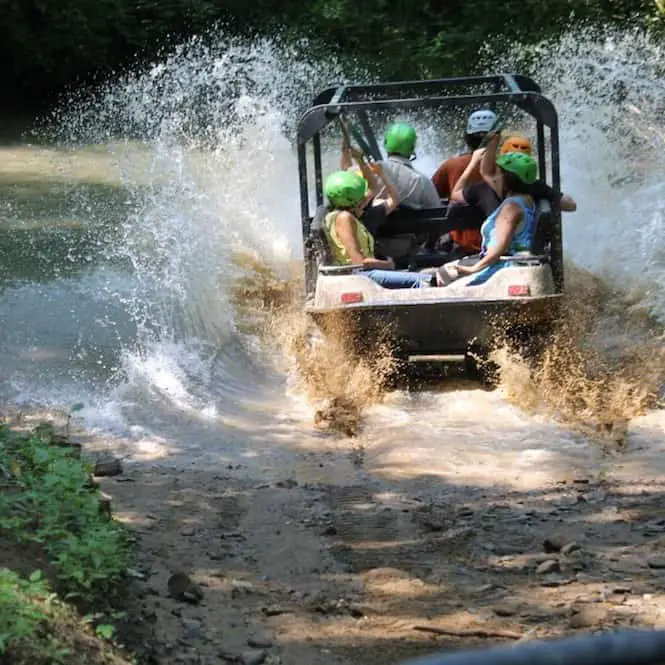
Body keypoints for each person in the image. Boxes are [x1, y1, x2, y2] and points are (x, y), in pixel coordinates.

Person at [437, 152, 540, 287]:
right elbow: (485, 172)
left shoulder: (511, 208)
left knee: (443, 280)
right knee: (444, 271)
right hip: (509, 263)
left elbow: (499, 248)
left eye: (500, 173)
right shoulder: (527, 200)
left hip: (502, 268)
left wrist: (474, 268)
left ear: (509, 178)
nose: (497, 176)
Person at [323, 170, 433, 289]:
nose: (364, 199)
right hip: (360, 275)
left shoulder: (336, 215)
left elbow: (374, 189)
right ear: (353, 200)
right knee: (424, 281)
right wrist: (387, 264)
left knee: (420, 276)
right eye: (361, 197)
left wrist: (364, 163)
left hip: (361, 273)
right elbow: (359, 262)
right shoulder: (345, 218)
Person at [431, 109, 498, 255]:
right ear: (496, 138)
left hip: (460, 244)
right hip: (497, 242)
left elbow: (432, 196)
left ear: (467, 138)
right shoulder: (506, 168)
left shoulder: (451, 165)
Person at [376, 122, 441, 210]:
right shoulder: (422, 181)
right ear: (412, 149)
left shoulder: (370, 172)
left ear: (385, 143)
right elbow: (437, 211)